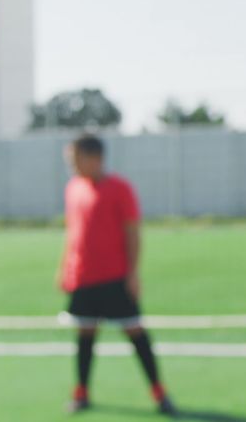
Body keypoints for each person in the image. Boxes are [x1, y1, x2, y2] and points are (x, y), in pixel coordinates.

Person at [57, 134, 176, 415]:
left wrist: (133, 273)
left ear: (94, 158)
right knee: (85, 334)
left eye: (75, 159)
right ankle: (82, 392)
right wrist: (64, 268)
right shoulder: (73, 188)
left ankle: (160, 393)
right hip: (83, 278)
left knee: (136, 333)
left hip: (115, 278)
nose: (71, 165)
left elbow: (132, 233)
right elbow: (72, 233)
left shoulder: (120, 188)